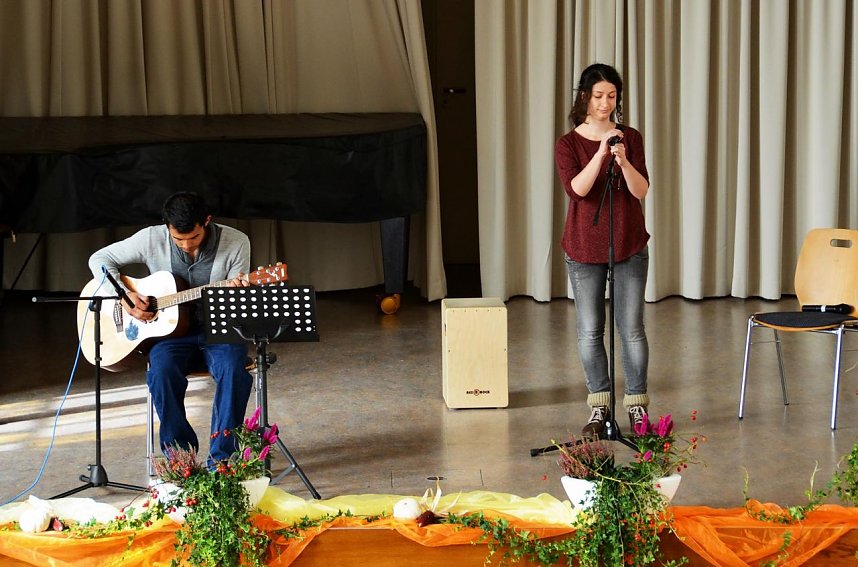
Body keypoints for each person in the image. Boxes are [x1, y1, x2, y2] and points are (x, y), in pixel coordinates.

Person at [88, 191, 253, 464]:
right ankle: (180, 460)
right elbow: (100, 259)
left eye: (194, 238)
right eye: (178, 239)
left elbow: (237, 300)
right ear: (167, 228)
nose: (187, 245)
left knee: (234, 371)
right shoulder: (150, 238)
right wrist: (123, 294)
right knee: (162, 371)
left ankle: (222, 460)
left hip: (219, 330)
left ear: (207, 222)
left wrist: (238, 292)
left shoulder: (236, 242)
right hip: (168, 333)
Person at [554, 63, 651, 439]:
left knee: (631, 330)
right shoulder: (568, 144)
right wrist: (600, 152)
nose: (605, 103)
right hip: (582, 246)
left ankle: (638, 407)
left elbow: (641, 191)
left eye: (612, 96)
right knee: (591, 331)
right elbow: (577, 189)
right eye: (598, 96)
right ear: (584, 97)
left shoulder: (632, 137)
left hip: (628, 243)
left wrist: (623, 159)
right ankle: (599, 408)